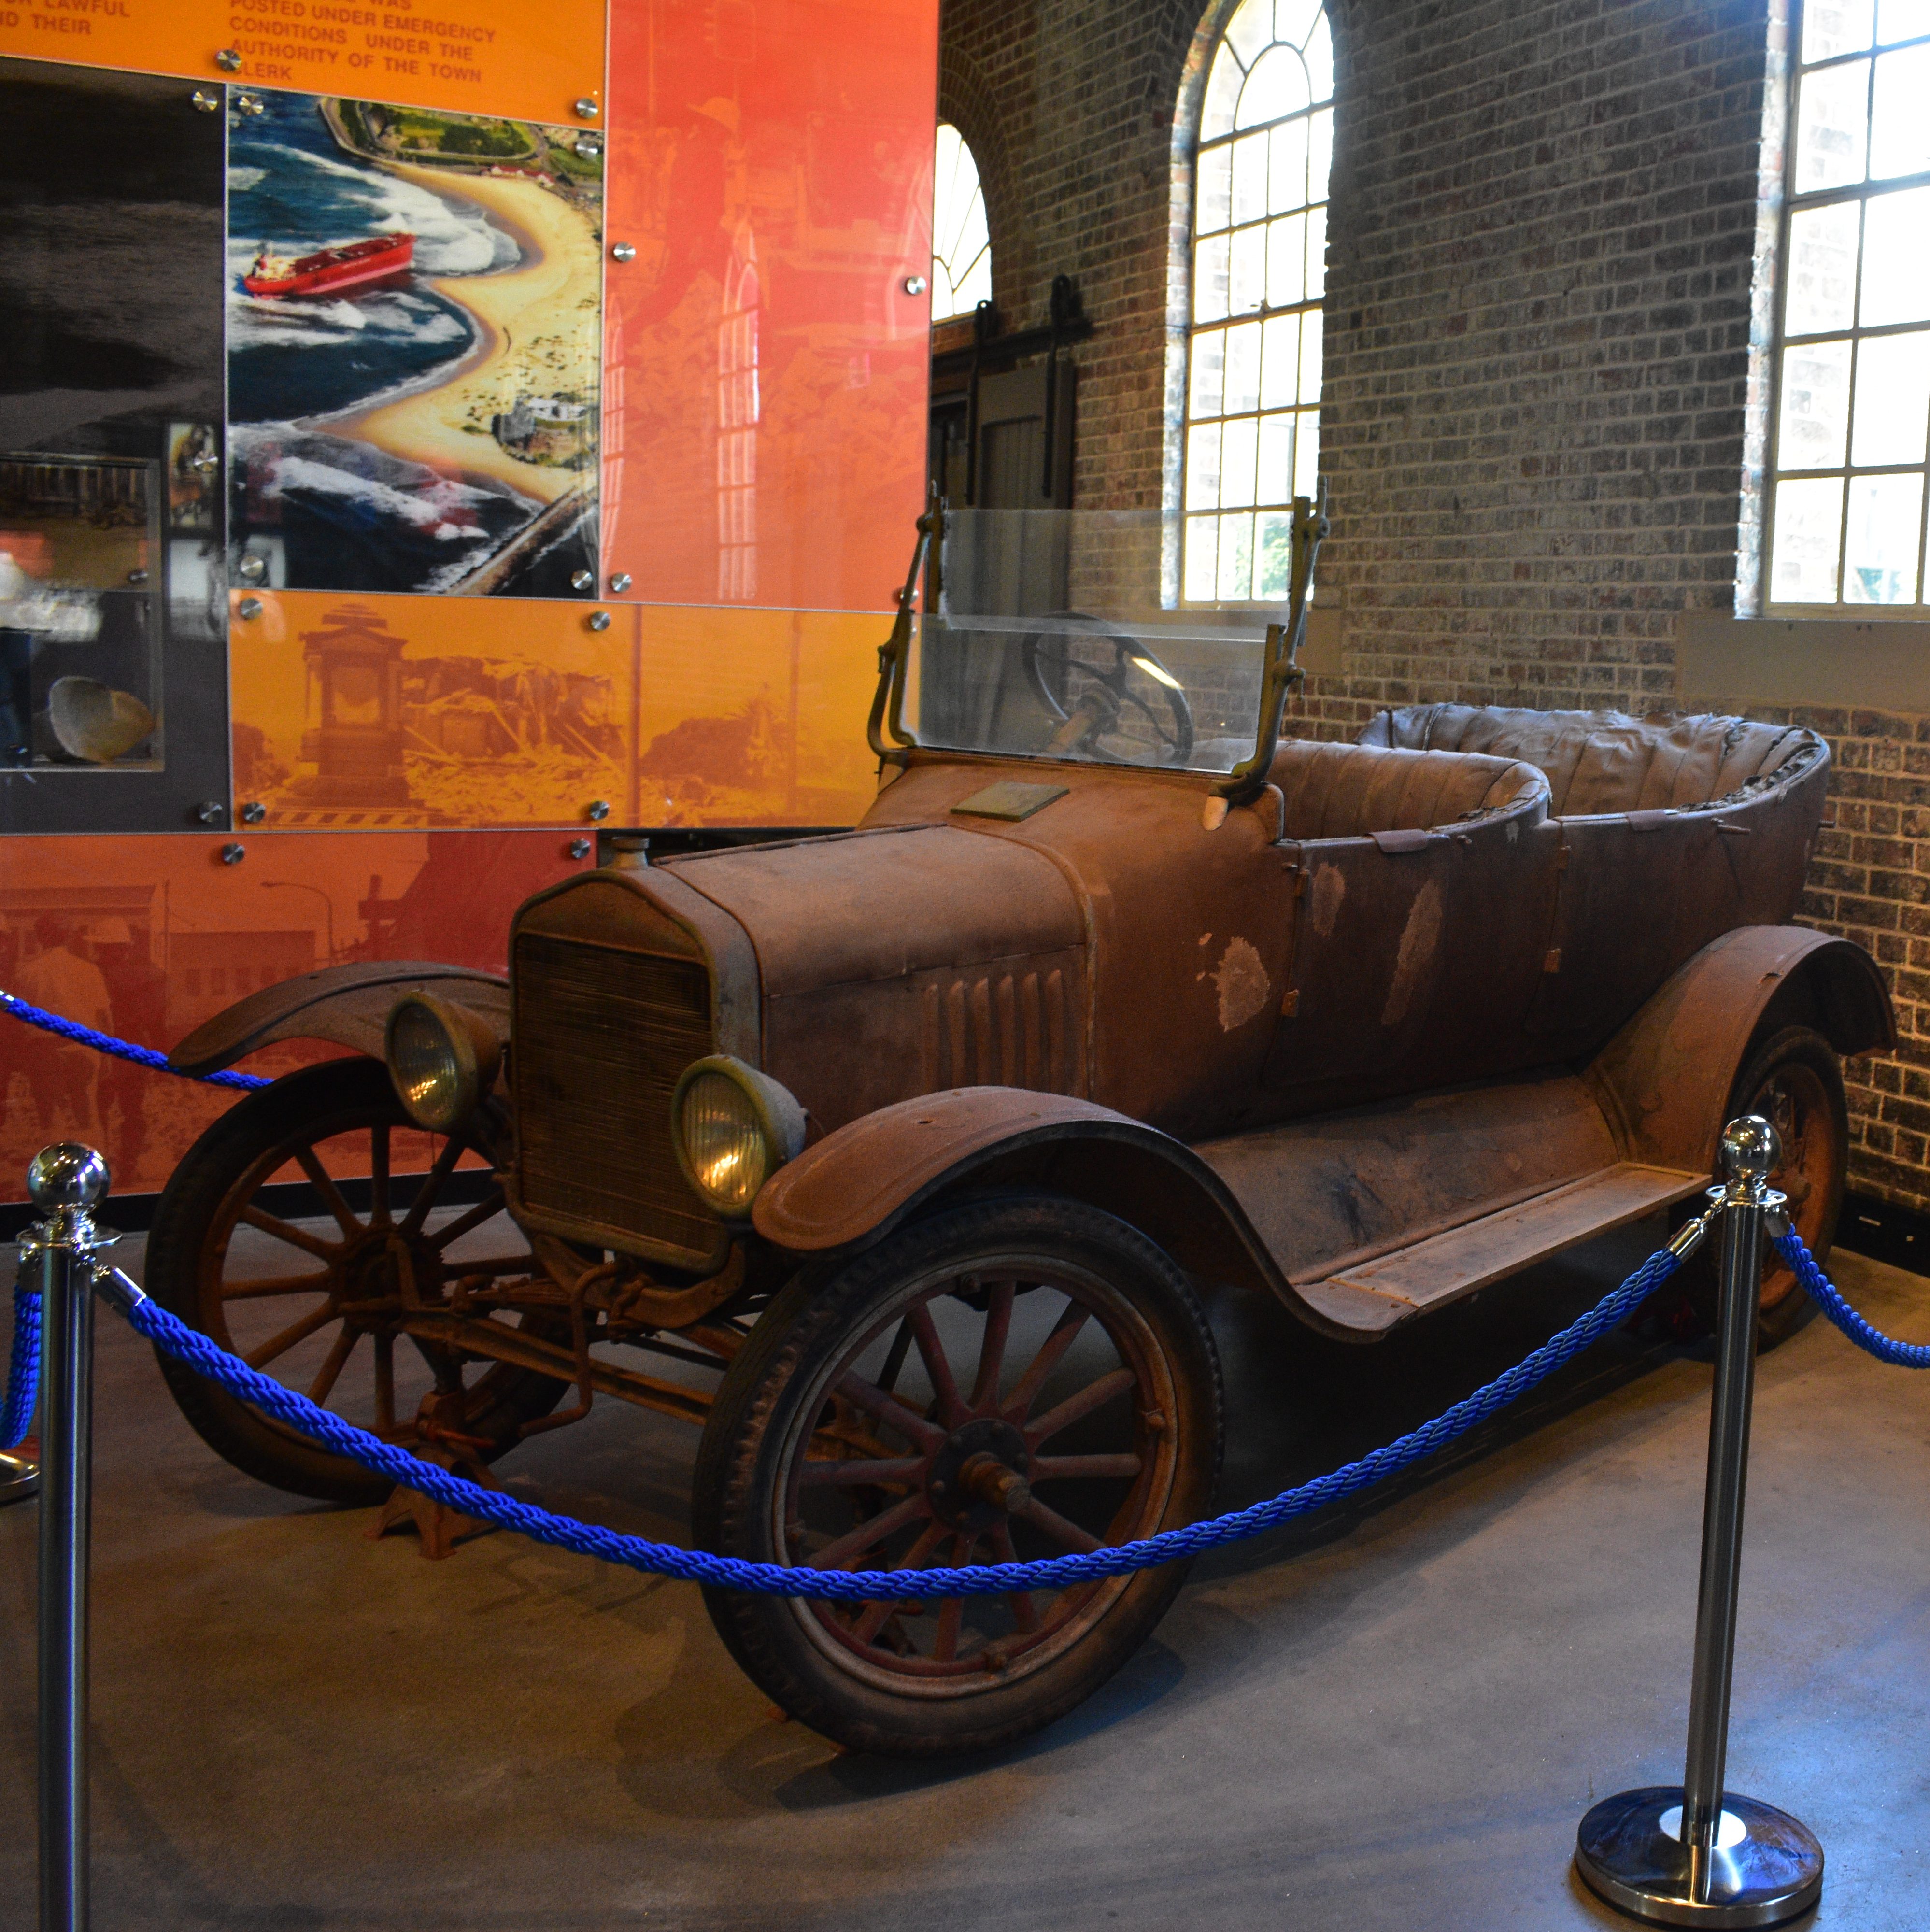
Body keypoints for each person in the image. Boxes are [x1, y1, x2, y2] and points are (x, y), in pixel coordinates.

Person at [10, 913, 113, 1141]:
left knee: (48, 1118)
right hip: (82, 1047)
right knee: (86, 1114)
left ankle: (55, 1170)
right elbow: (104, 1017)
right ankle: (90, 1169)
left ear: (38, 938)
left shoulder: (27, 973)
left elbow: (18, 1022)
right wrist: (108, 1056)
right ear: (67, 937)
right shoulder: (89, 971)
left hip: (43, 1050)